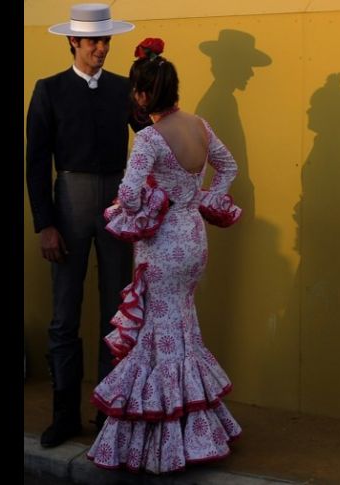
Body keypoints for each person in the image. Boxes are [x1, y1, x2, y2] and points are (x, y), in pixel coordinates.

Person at [86, 37, 243, 474]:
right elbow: (229, 167)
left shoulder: (150, 140)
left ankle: (170, 441)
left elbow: (128, 195)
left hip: (161, 246)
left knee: (159, 331)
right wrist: (205, 197)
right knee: (181, 327)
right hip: (193, 239)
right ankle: (195, 430)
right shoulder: (200, 125)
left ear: (141, 94)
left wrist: (150, 205)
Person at [26, 3, 147, 448]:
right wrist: (45, 223)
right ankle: (64, 414)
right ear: (73, 41)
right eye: (94, 40)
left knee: (117, 311)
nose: (101, 48)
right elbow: (36, 162)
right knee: (64, 312)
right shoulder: (50, 89)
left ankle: (109, 414)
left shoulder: (123, 88)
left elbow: (148, 135)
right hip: (70, 201)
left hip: (118, 200)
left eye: (106, 40)